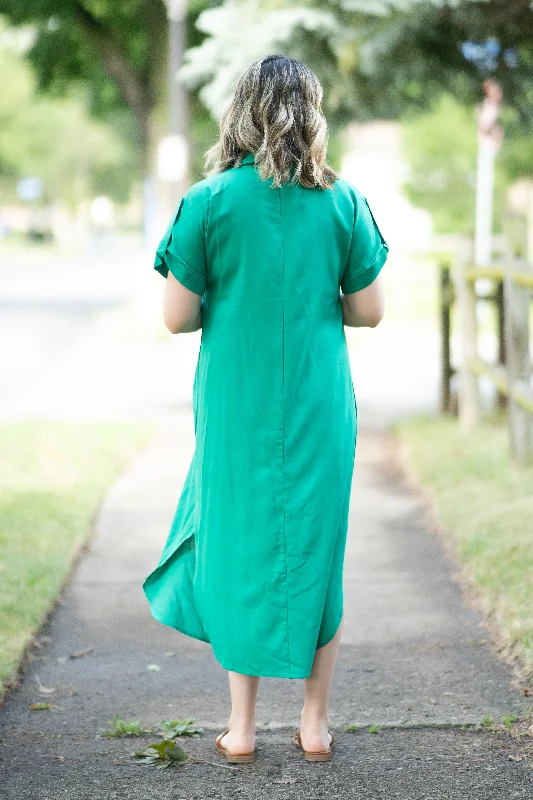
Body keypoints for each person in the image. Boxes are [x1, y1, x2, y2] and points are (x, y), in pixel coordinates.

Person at [143, 54, 388, 764]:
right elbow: (368, 311)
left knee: (236, 547)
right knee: (318, 550)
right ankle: (313, 725)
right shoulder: (342, 201)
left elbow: (177, 318)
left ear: (240, 113)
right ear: (310, 115)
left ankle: (242, 728)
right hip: (316, 402)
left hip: (236, 402)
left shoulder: (209, 200)